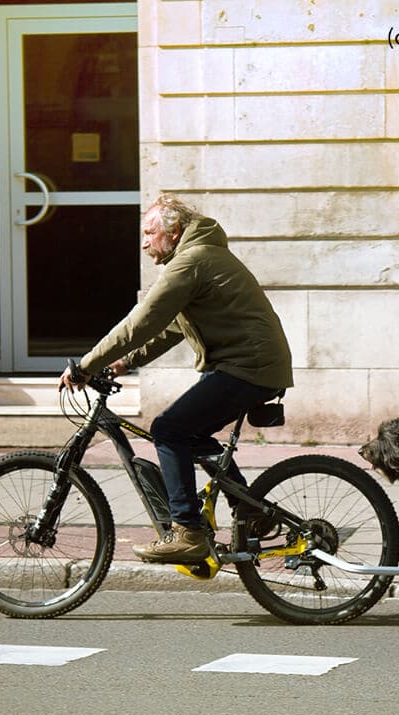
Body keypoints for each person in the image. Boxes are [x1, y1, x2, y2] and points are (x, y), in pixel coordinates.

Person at [58, 194, 293, 564]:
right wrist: (124, 363)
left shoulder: (191, 262)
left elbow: (141, 321)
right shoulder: (196, 258)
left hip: (249, 366)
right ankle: (252, 510)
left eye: (150, 232)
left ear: (175, 232)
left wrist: (84, 365)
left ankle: (187, 533)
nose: (144, 241)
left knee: (169, 430)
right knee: (191, 434)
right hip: (250, 364)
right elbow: (170, 329)